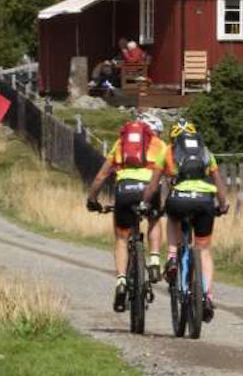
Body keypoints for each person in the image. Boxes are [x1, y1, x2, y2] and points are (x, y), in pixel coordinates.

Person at [143, 119, 229, 321]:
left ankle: (173, 257)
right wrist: (223, 204)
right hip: (204, 201)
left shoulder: (167, 151)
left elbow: (153, 185)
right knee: (204, 249)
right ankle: (206, 296)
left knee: (172, 217)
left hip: (179, 200)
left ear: (173, 138)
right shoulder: (205, 152)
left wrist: (145, 202)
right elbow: (218, 182)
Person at [85, 111, 168, 311]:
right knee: (154, 219)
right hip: (149, 190)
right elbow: (170, 174)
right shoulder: (160, 145)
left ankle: (121, 280)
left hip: (125, 191)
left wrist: (92, 200)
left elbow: (101, 176)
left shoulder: (120, 144)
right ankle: (154, 260)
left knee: (122, 238)